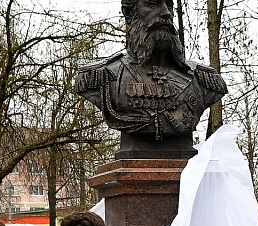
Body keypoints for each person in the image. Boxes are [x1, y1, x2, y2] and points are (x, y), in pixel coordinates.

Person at [75, 0, 227, 150]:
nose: (166, 13)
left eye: (169, 5)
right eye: (152, 4)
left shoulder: (202, 79)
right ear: (129, 13)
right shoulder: (102, 76)